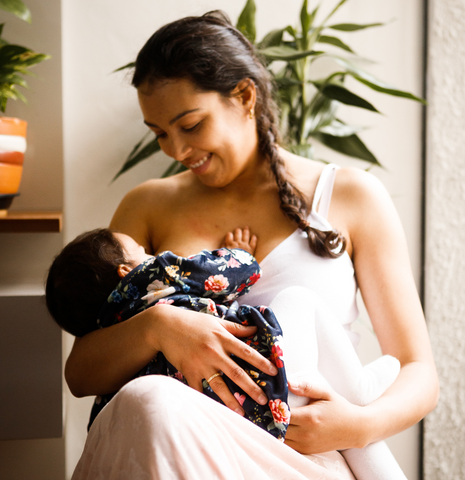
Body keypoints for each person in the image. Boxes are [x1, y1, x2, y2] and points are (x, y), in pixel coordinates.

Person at [67, 10, 439, 479]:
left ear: (244, 96)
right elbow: (81, 373)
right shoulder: (146, 206)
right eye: (160, 133)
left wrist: (358, 426)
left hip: (300, 454)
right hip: (177, 442)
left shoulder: (350, 196)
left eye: (190, 125)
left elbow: (417, 371)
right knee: (149, 400)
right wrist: (159, 326)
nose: (176, 151)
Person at [46, 227, 290, 440]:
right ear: (125, 270)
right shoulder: (154, 274)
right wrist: (238, 252)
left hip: (190, 424)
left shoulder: (108, 333)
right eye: (141, 249)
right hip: (247, 388)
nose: (150, 253)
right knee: (298, 301)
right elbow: (238, 272)